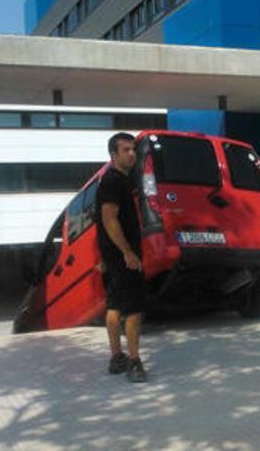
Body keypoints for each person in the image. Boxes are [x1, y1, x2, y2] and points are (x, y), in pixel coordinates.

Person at [96, 132, 148, 383]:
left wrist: (105, 255)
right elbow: (108, 218)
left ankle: (117, 358)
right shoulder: (113, 181)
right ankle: (134, 362)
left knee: (115, 307)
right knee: (134, 309)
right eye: (125, 150)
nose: (131, 154)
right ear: (113, 155)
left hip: (113, 256)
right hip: (123, 256)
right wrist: (127, 252)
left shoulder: (118, 180)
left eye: (133, 149)